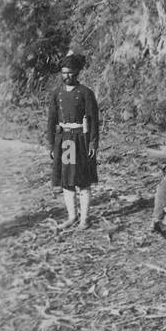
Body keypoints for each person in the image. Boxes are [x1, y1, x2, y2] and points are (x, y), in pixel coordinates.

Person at [46, 51, 99, 229]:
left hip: (81, 140)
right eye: (64, 72)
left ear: (77, 72)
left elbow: (93, 120)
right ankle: (72, 217)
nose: (67, 76)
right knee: (67, 181)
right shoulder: (57, 94)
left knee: (83, 181)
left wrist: (92, 142)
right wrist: (52, 144)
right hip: (66, 141)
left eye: (70, 72)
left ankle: (84, 219)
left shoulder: (86, 93)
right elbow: (51, 120)